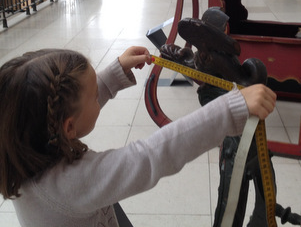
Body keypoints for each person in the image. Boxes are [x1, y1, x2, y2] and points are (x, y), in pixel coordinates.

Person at [0, 46, 276, 227]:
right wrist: (229, 109)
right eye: (96, 94)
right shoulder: (76, 184)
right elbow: (151, 155)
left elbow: (69, 108)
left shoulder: (29, 144)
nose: (99, 95)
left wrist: (113, 74)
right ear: (68, 128)